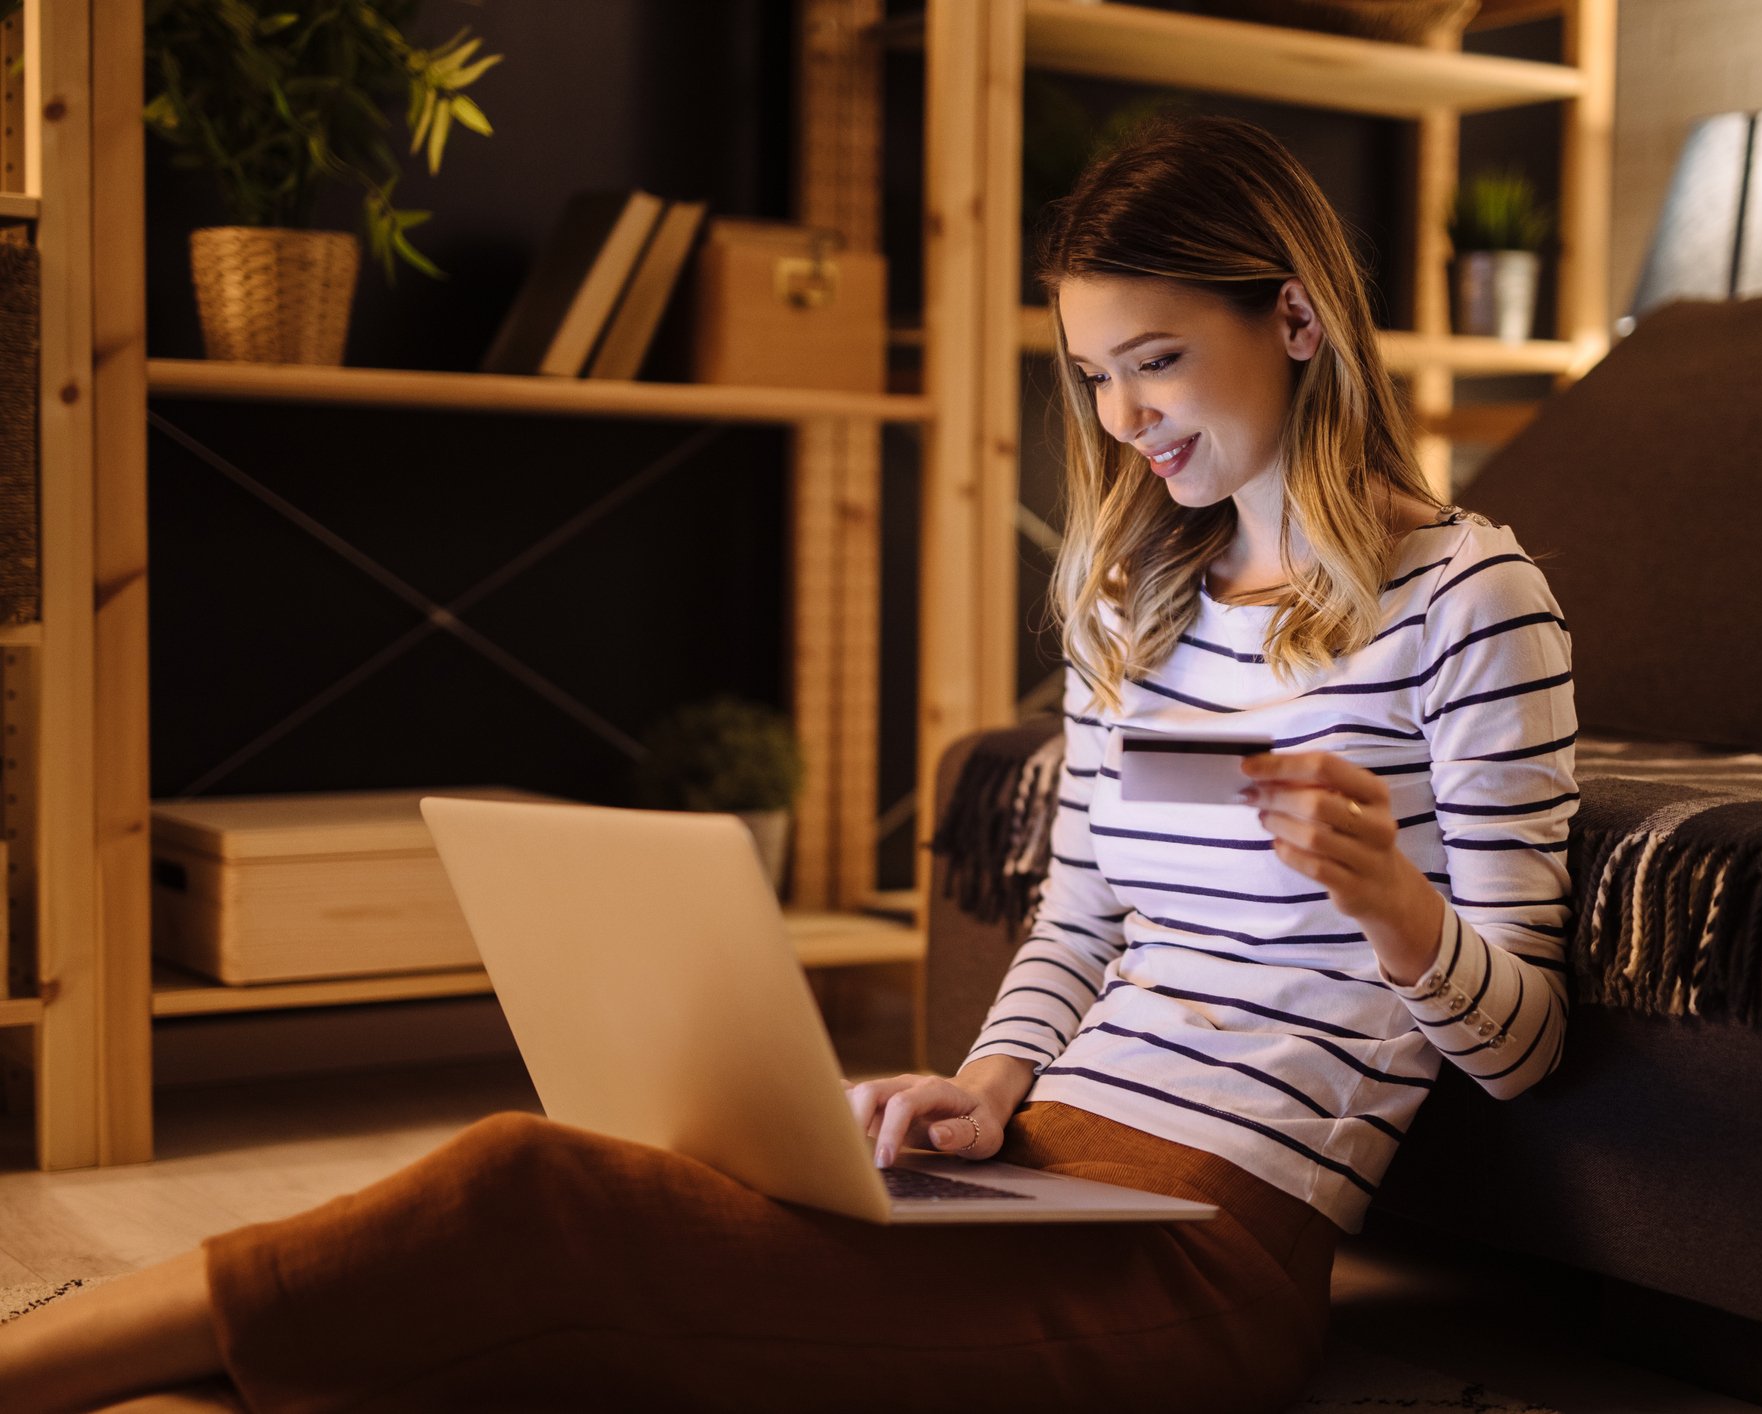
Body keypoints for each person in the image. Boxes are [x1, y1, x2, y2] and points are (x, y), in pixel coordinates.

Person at [0, 113, 1576, 1413]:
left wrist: (1393, 904)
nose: (1120, 416)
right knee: (586, 1209)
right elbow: (1081, 925)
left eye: (1152, 359)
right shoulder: (1133, 600)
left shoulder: (1467, 600)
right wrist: (981, 1084)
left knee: (524, 1195)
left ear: (1294, 316)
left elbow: (1521, 1043)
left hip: (1209, 1251)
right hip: (1036, 1167)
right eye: (1092, 375)